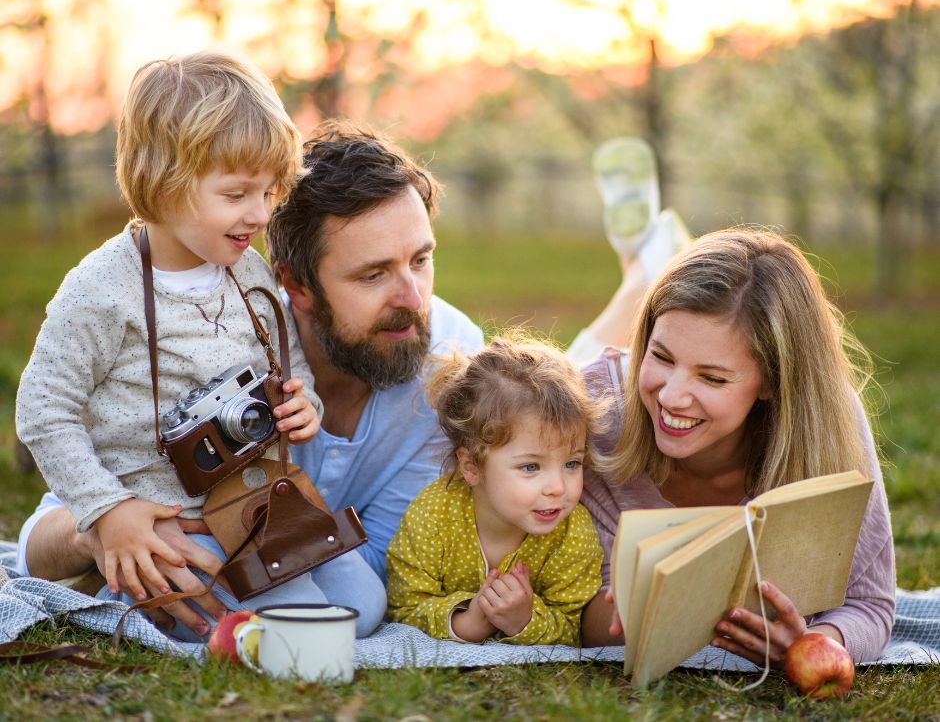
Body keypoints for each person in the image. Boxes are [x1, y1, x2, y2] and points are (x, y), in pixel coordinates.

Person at [16, 119, 482, 637]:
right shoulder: (220, 344)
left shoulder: (451, 365)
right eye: (372, 275)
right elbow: (38, 544)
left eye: (421, 260)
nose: (413, 299)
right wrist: (109, 536)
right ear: (295, 286)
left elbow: (385, 574)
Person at [578, 228, 896, 669]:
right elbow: (554, 604)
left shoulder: (829, 423)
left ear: (772, 380)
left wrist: (811, 644)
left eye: (712, 377)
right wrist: (626, 616)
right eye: (662, 357)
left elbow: (870, 605)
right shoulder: (591, 411)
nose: (671, 396)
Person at [386, 335, 604, 645]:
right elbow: (404, 605)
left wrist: (525, 620)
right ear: (472, 466)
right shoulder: (433, 516)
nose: (558, 487)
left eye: (572, 464)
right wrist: (467, 622)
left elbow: (574, 624)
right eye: (531, 467)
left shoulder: (572, 534)